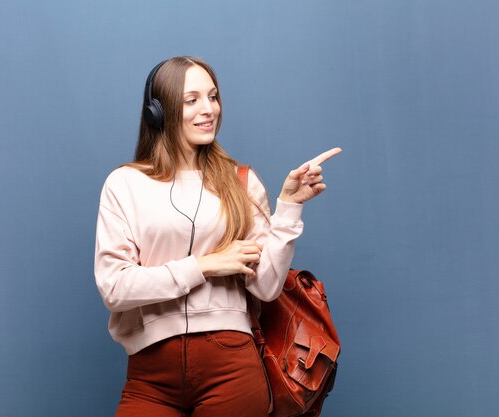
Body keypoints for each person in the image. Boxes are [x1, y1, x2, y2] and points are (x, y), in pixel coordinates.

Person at [94, 56, 341, 417]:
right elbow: (114, 287)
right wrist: (204, 265)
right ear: (158, 112)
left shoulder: (240, 182)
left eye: (213, 97)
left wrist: (288, 207)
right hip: (150, 376)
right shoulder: (125, 184)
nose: (208, 109)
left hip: (231, 367)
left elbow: (267, 287)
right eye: (191, 100)